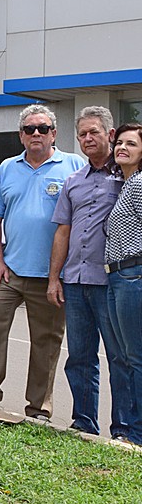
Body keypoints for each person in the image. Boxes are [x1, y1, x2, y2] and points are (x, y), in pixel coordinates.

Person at [0, 105, 86, 420]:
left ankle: (38, 407)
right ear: (21, 135)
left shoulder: (74, 165)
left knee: (46, 340)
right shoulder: (7, 168)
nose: (36, 134)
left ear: (54, 134)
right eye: (29, 129)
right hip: (11, 269)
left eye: (42, 129)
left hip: (52, 275)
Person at [48, 107, 130, 439]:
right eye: (82, 134)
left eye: (94, 132)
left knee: (119, 359)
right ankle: (84, 422)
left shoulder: (128, 177)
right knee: (79, 358)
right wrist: (54, 277)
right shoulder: (73, 181)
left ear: (110, 135)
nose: (87, 139)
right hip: (76, 282)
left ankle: (124, 428)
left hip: (111, 283)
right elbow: (62, 232)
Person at [105, 122, 142, 447]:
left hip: (134, 275)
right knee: (127, 357)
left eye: (131, 143)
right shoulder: (126, 183)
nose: (122, 148)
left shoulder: (141, 183)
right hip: (118, 276)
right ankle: (129, 429)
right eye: (119, 143)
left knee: (136, 357)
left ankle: (137, 434)